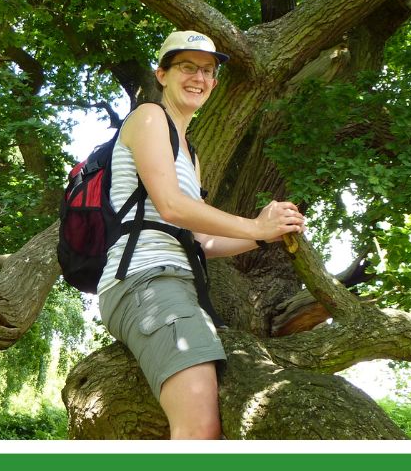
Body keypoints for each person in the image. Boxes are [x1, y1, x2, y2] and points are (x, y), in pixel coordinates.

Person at [96, 30, 305, 439]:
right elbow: (171, 205)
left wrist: (265, 237)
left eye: (208, 70)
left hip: (175, 284)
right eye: (187, 66)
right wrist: (255, 224)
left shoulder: (191, 154)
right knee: (199, 429)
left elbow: (198, 241)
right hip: (147, 282)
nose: (199, 77)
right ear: (161, 73)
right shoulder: (149, 118)